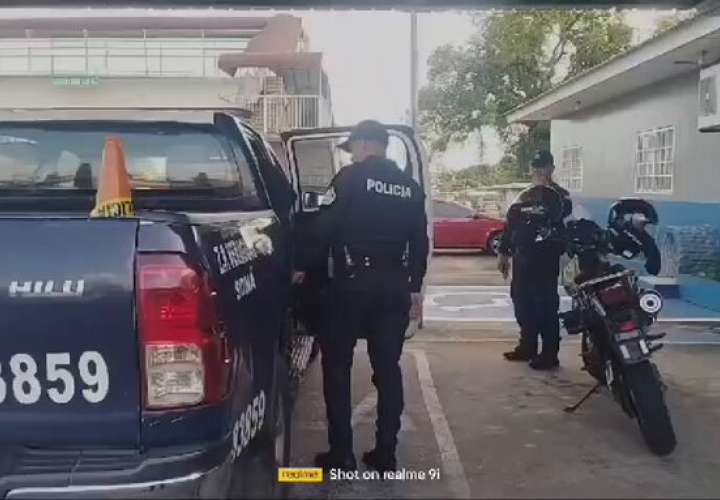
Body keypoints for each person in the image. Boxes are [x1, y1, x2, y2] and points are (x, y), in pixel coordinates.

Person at [304, 120, 429, 473]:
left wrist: (301, 267)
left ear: (364, 144)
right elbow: (420, 242)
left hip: (352, 284)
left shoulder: (350, 178)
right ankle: (386, 454)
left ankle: (341, 453)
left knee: (338, 367)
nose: (353, 154)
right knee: (388, 369)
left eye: (354, 147)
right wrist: (414, 286)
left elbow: (323, 228)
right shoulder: (409, 186)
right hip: (394, 284)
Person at [497, 150, 572, 370]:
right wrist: (504, 253)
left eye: (543, 167)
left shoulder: (562, 197)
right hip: (522, 257)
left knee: (545, 305)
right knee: (521, 302)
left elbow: (566, 228)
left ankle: (549, 353)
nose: (539, 171)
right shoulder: (524, 196)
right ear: (531, 169)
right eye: (535, 167)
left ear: (551, 168)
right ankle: (527, 345)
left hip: (545, 259)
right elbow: (510, 225)